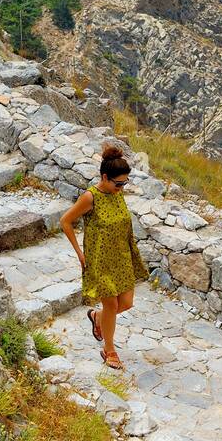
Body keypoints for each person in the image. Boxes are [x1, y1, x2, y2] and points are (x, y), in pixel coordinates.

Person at [60, 144, 148, 370]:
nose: (122, 187)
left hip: (121, 257)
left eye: (125, 183)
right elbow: (65, 222)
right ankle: (110, 350)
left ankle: (98, 318)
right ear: (104, 177)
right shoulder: (91, 197)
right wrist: (80, 254)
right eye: (118, 183)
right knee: (111, 305)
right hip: (100, 261)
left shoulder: (116, 193)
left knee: (126, 303)